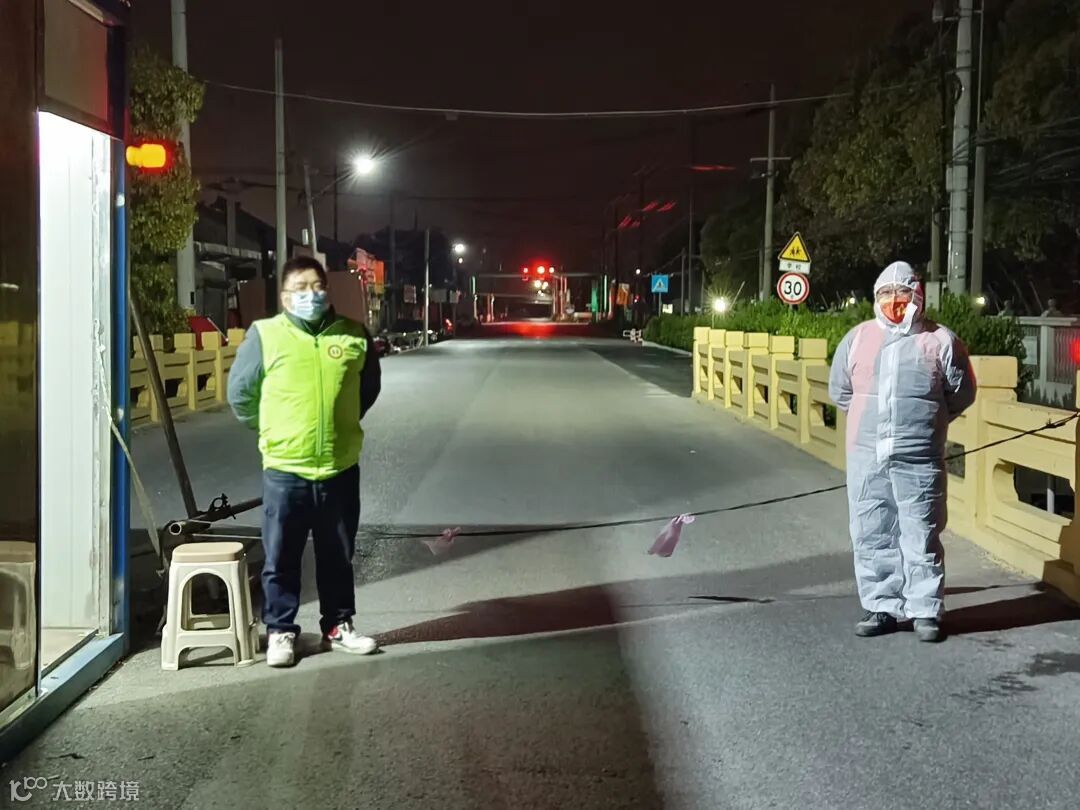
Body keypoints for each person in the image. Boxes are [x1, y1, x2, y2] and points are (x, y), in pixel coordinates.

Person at [227, 256, 382, 667]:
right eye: (299, 288)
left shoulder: (353, 335)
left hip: (339, 467)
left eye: (316, 286)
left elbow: (367, 389)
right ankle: (280, 630)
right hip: (285, 469)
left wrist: (340, 421)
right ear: (284, 297)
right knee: (281, 556)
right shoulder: (265, 335)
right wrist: (274, 428)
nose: (309, 295)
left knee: (338, 554)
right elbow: (241, 394)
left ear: (326, 290)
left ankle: (338, 626)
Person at [829, 261, 976, 642]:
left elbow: (961, 393)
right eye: (886, 293)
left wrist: (928, 421)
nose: (894, 299)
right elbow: (840, 391)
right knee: (871, 529)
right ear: (875, 297)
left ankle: (925, 610)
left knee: (921, 530)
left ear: (918, 296)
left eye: (903, 292)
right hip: (867, 456)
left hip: (920, 457)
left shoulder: (941, 341)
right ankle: (882, 607)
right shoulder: (858, 338)